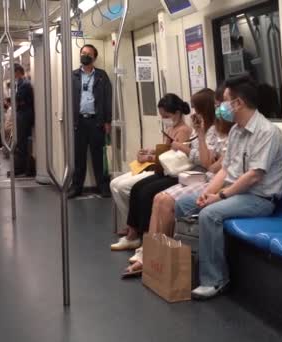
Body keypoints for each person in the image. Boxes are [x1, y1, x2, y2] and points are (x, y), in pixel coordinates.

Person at [175, 76, 282, 299]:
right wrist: (208, 193)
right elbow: (225, 170)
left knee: (210, 214)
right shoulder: (236, 131)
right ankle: (185, 269)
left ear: (238, 103)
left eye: (225, 101)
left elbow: (254, 175)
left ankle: (215, 280)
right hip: (236, 192)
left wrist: (220, 196)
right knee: (183, 205)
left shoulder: (267, 132)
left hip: (259, 199)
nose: (221, 107)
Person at [124, 87, 235, 276]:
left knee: (164, 200)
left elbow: (210, 165)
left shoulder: (230, 133)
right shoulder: (211, 132)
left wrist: (207, 157)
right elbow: (211, 162)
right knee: (158, 198)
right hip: (203, 175)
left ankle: (156, 259)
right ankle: (149, 253)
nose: (193, 114)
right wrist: (200, 138)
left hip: (205, 177)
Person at [111, 94, 192, 251]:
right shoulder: (170, 128)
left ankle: (143, 235)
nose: (164, 119)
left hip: (173, 172)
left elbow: (176, 158)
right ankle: (133, 234)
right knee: (136, 189)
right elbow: (165, 150)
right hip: (163, 169)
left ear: (177, 113)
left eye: (166, 116)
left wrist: (150, 157)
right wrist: (149, 152)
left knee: (146, 193)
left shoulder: (184, 131)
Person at [69, 44, 113, 198]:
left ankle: (103, 187)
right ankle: (76, 188)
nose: (85, 55)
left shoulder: (102, 75)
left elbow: (108, 99)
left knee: (99, 157)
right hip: (79, 122)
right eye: (83, 53)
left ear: (94, 57)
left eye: (88, 53)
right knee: (78, 156)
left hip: (97, 122)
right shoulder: (73, 75)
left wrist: (108, 121)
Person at [12, 63, 35, 176]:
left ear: (18, 72)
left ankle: (22, 169)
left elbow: (18, 98)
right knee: (21, 142)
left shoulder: (24, 84)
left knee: (22, 142)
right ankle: (21, 167)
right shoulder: (21, 83)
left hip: (25, 115)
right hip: (23, 113)